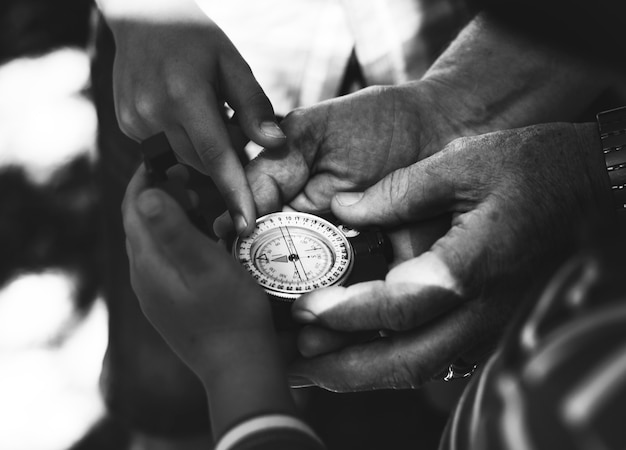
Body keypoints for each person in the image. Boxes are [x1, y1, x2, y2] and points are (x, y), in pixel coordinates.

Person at [89, 0, 467, 448]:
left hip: (439, 52)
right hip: (189, 88)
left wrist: (236, 368)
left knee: (453, 335)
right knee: (174, 393)